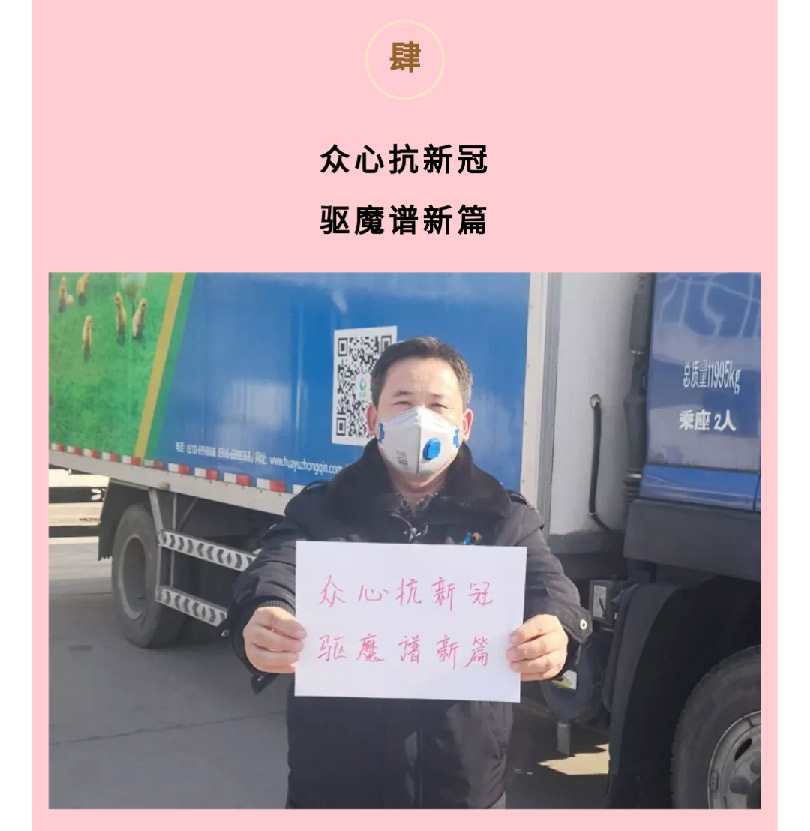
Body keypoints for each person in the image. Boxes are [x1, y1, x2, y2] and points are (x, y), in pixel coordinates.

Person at [223, 336, 592, 809]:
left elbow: (550, 587)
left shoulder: (505, 519)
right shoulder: (323, 512)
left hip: (463, 796)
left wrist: (557, 628)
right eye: (402, 403)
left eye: (438, 405)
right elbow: (276, 565)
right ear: (373, 418)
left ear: (464, 424)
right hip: (333, 793)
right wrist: (264, 609)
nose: (420, 419)